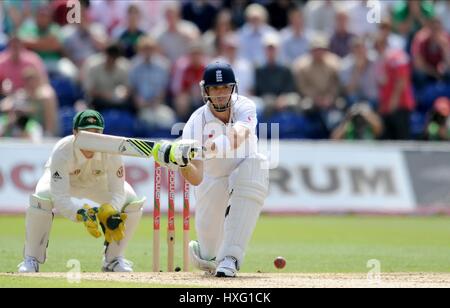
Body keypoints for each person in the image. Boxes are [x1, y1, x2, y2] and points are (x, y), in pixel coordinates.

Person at [17, 110, 146, 273]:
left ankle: (113, 260)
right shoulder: (63, 149)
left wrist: (111, 211)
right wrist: (80, 213)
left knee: (132, 202)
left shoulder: (112, 149)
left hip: (97, 184)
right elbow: (59, 195)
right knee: (41, 197)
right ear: (75, 133)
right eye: (87, 132)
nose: (92, 138)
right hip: (65, 183)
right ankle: (31, 259)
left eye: (97, 132)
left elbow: (118, 192)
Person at [178, 61, 270, 277]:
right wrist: (183, 163)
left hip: (244, 167)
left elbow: (239, 135)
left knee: (256, 165)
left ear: (233, 88)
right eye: (214, 88)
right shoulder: (194, 124)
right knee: (210, 255)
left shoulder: (245, 106)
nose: (220, 94)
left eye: (225, 88)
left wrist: (210, 148)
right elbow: (197, 177)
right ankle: (208, 254)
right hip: (213, 179)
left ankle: (231, 258)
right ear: (206, 91)